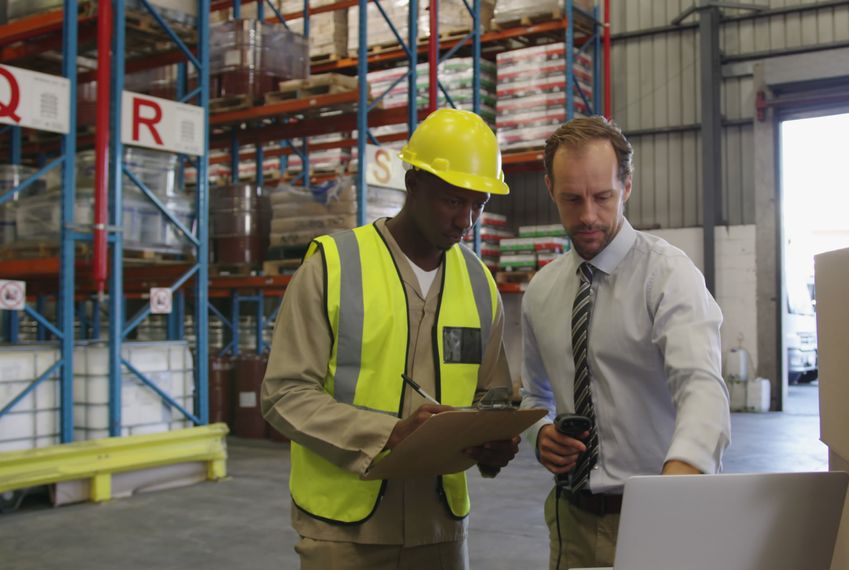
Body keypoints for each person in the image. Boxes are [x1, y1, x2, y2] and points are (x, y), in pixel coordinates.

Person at [262, 108, 520, 570]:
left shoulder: (480, 285)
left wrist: (495, 440)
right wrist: (388, 433)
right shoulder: (333, 267)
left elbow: (491, 395)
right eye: (452, 200)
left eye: (478, 204)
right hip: (344, 532)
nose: (467, 220)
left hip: (440, 530)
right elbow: (283, 394)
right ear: (414, 183)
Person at [520, 116, 732, 570]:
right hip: (570, 522)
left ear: (627, 187)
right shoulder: (541, 291)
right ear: (549, 189)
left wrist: (677, 484)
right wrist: (541, 436)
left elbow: (702, 388)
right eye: (572, 199)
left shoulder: (668, 277)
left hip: (659, 517)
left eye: (603, 197)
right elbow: (532, 394)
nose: (589, 216)